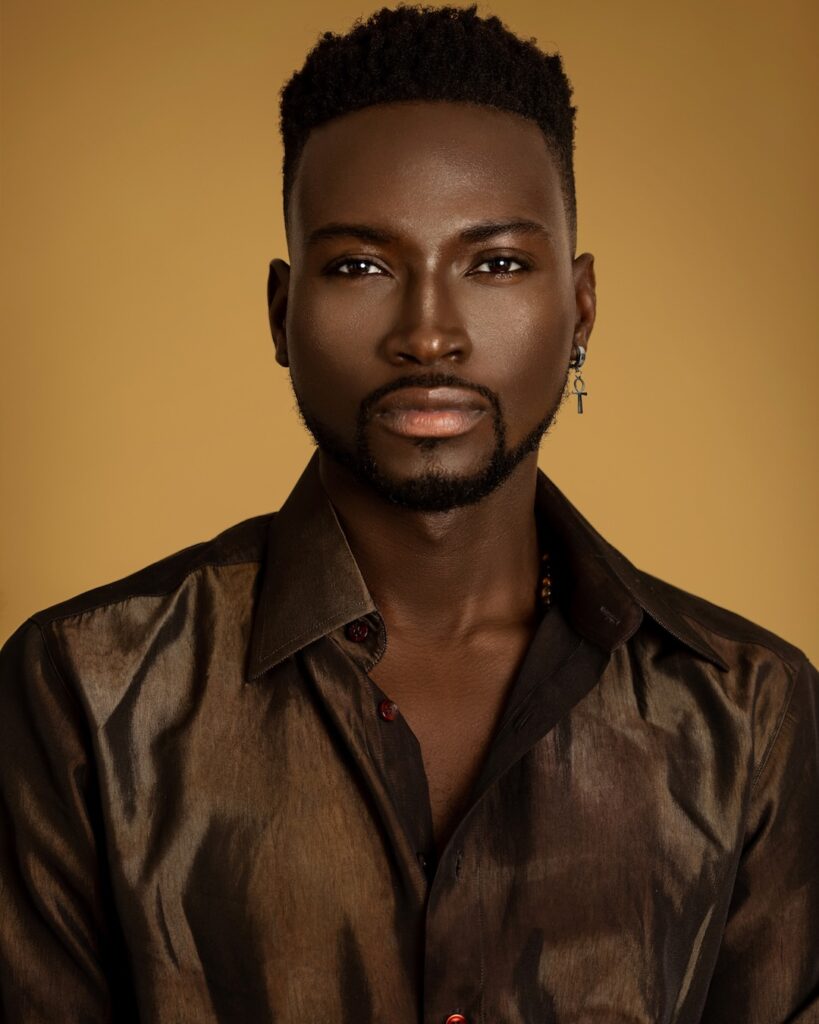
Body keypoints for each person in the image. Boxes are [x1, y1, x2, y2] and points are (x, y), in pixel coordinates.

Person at [1, 5, 816, 1022]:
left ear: (582, 309)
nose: (430, 333)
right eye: (361, 267)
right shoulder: (85, 691)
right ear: (280, 314)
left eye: (497, 264)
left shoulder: (749, 712)